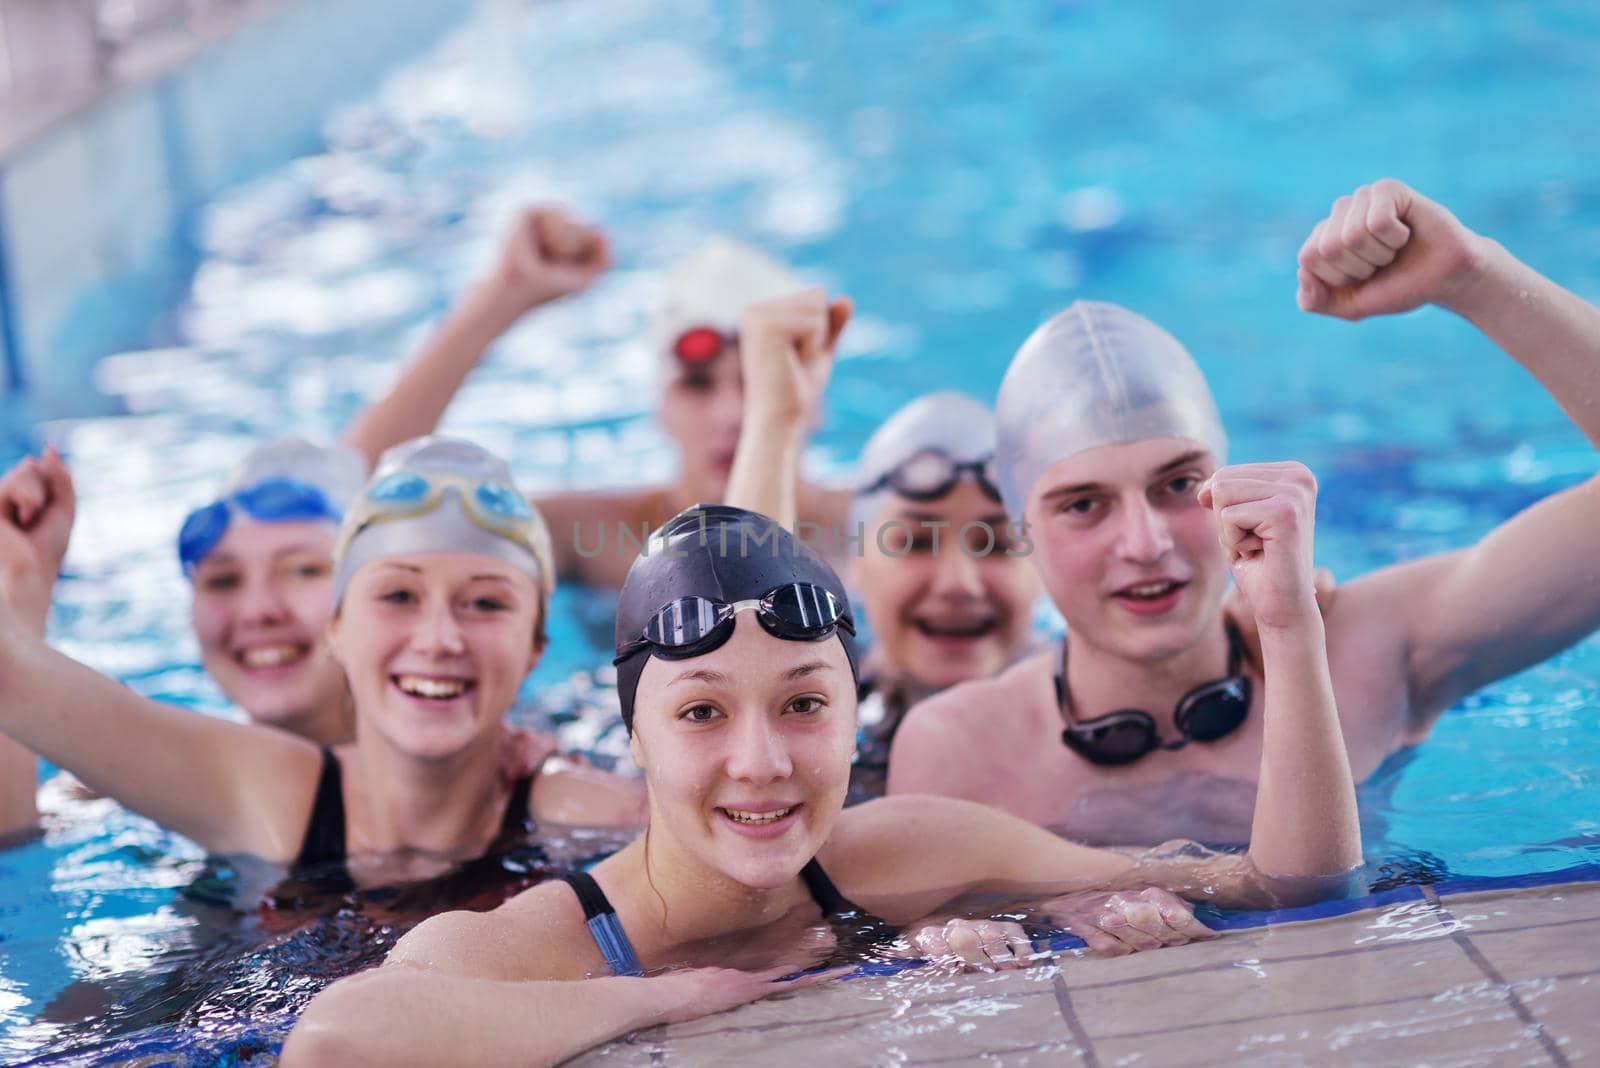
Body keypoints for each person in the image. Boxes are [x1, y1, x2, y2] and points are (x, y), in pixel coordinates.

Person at [280, 501, 1360, 1067]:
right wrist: (659, 999)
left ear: (853, 719)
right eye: (701, 712)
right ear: (637, 739)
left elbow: (1279, 883)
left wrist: (1284, 630)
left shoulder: (905, 852)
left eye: (803, 703)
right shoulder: (535, 945)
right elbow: (332, 1045)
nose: (763, 762)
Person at [888, 178, 1600, 846]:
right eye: (1083, 505)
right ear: (1022, 539)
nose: (1144, 542)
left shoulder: (1369, 651)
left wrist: (1474, 277)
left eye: (1177, 485)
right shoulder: (958, 753)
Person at [0, 206, 608, 834]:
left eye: (302, 571)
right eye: (222, 581)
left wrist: (502, 296)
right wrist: (21, 587)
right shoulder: (133, 783)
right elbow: (10, 846)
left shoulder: (511, 754)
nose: (257, 609)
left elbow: (377, 500)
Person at [0, 437, 641, 891]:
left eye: (485, 603)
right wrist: (20, 585)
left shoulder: (583, 804)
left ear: (536, 649)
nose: (440, 638)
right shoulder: (262, 786)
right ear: (339, 629)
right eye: (397, 595)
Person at [520, 236, 853, 587]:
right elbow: (459, 527)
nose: (730, 415)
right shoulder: (592, 538)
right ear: (661, 410)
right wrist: (502, 296)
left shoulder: (882, 531)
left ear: (816, 404)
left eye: (758, 383)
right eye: (697, 384)